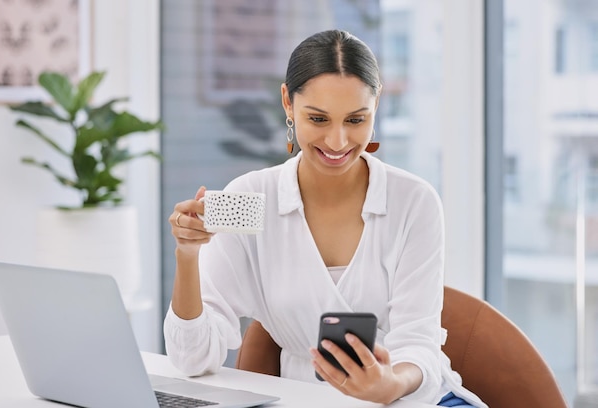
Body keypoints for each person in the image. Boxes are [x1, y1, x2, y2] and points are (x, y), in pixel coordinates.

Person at [164, 29, 486, 407]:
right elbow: (191, 359)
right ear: (287, 102)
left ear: (377, 104)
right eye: (318, 119)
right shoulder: (249, 199)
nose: (337, 142)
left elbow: (418, 344)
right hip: (307, 398)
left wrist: (390, 385)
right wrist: (188, 255)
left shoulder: (414, 202)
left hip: (415, 398)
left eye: (355, 120)